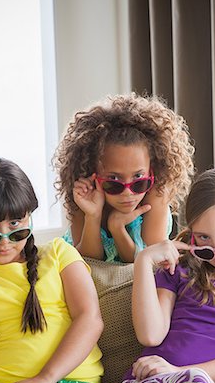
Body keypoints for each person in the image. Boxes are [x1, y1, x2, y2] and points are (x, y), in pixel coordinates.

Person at [0, 158, 127, 383]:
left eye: (15, 226)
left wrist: (46, 378)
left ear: (29, 218)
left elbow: (90, 319)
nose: (4, 241)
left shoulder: (59, 253)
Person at [113, 167, 215, 383]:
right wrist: (144, 261)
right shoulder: (180, 271)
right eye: (204, 240)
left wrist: (184, 373)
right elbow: (151, 335)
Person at [53, 93, 194, 263]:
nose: (128, 193)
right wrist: (93, 216)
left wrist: (117, 228)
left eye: (139, 181)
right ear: (92, 173)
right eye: (114, 182)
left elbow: (149, 263)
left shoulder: (156, 193)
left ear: (152, 169)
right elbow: (90, 263)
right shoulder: (82, 196)